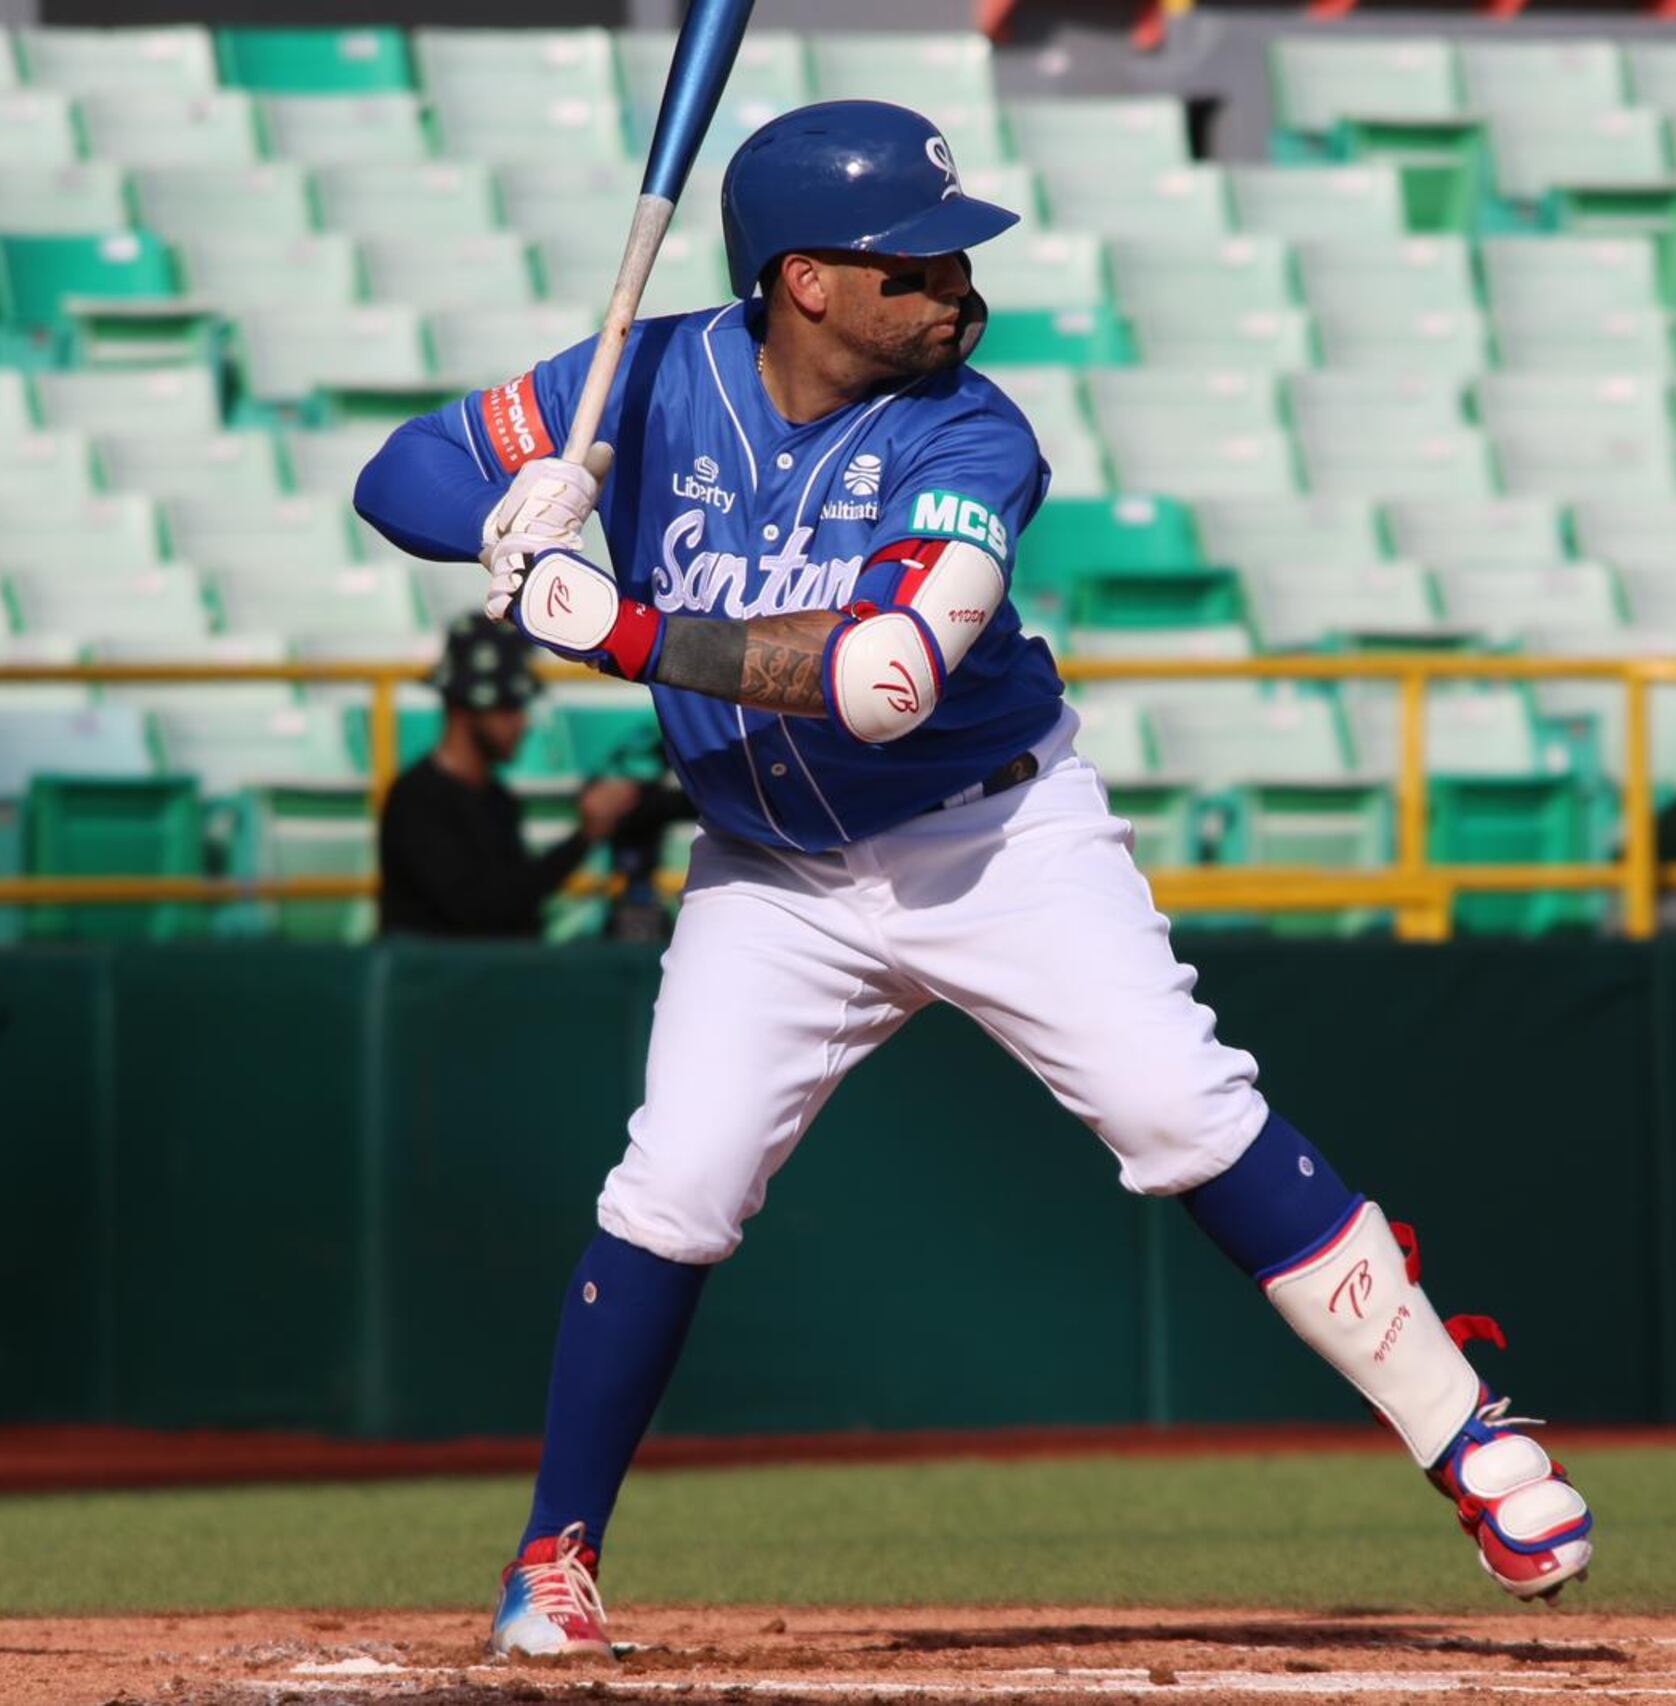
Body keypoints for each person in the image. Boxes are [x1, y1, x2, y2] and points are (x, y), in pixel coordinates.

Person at [355, 100, 1594, 1659]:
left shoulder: (973, 431)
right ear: (804, 280)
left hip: (988, 835)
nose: (959, 292)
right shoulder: (652, 375)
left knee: (1178, 1108)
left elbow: (884, 676)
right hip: (772, 868)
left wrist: (611, 626)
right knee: (674, 1185)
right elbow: (394, 471)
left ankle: (1462, 1425)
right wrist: (503, 514)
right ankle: (553, 1556)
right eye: (916, 266)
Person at [376, 616, 645, 938]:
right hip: (431, 984)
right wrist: (584, 837)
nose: (523, 722)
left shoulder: (497, 799)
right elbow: (486, 911)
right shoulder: (417, 799)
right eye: (508, 706)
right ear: (463, 709)